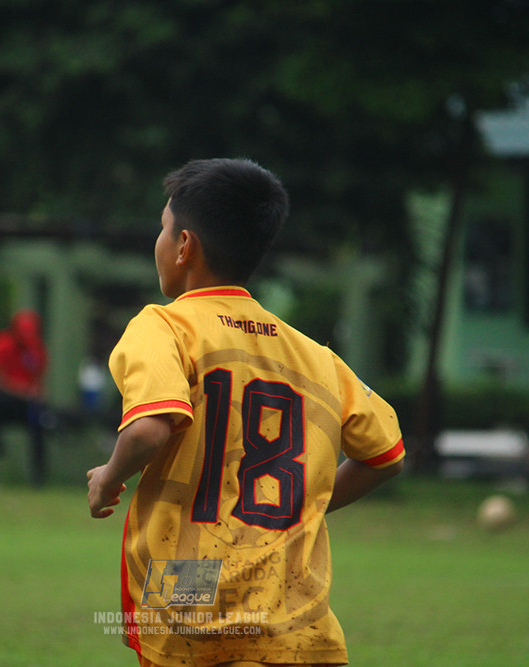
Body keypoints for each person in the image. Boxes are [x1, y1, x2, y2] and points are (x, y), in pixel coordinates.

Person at [87, 158, 405, 667]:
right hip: (293, 608)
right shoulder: (314, 355)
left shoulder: (163, 327)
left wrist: (107, 479)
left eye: (163, 229)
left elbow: (148, 431)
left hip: (188, 590)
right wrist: (306, 503)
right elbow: (386, 456)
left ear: (185, 245)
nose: (159, 243)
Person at [0, 309, 49, 486]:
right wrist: (21, 390)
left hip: (28, 404)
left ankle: (38, 476)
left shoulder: (36, 347)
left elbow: (40, 378)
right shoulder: (1, 344)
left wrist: (36, 392)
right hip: (6, 399)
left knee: (41, 422)